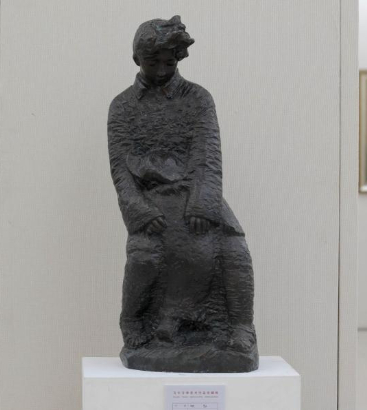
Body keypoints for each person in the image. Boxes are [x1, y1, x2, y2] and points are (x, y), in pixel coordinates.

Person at [108, 15, 257, 371]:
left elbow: (208, 153)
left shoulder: (198, 98)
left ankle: (239, 328)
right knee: (146, 256)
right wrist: (139, 211)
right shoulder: (123, 106)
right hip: (152, 202)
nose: (161, 70)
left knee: (234, 251)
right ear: (136, 58)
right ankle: (137, 321)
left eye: (169, 62)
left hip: (196, 195)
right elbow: (120, 169)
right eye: (152, 61)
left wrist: (203, 203)